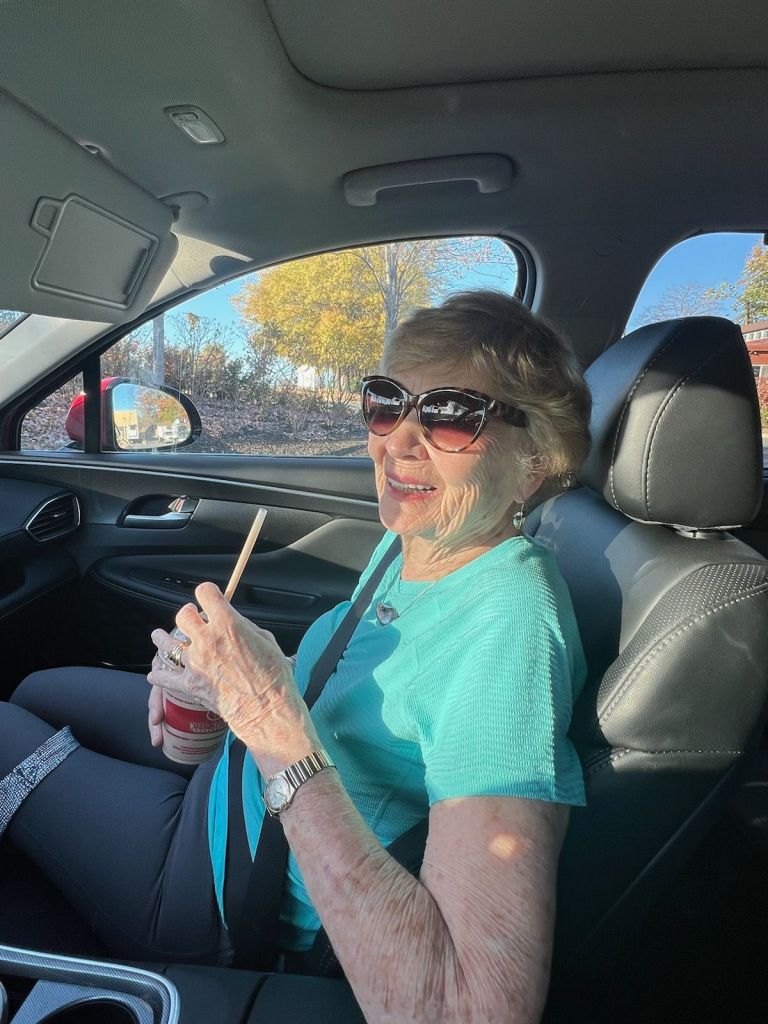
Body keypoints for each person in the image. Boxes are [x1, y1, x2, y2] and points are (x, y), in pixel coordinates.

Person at [0, 290, 591, 1023]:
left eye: (451, 416)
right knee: (39, 688)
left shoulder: (510, 629)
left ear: (534, 462)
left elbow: (466, 1010)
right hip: (239, 784)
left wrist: (265, 716)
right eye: (388, 403)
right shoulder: (422, 538)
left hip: (228, 887)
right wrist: (224, 695)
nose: (399, 442)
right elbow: (348, 701)